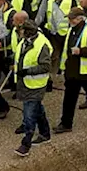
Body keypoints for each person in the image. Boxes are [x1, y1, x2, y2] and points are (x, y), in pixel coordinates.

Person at [14, 17, 53, 156]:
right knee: (38, 110)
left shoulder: (41, 45)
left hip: (36, 84)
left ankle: (26, 144)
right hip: (25, 83)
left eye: (20, 30)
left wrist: (27, 71)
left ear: (27, 32)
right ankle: (45, 134)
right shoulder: (24, 42)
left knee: (29, 114)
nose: (18, 32)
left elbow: (45, 66)